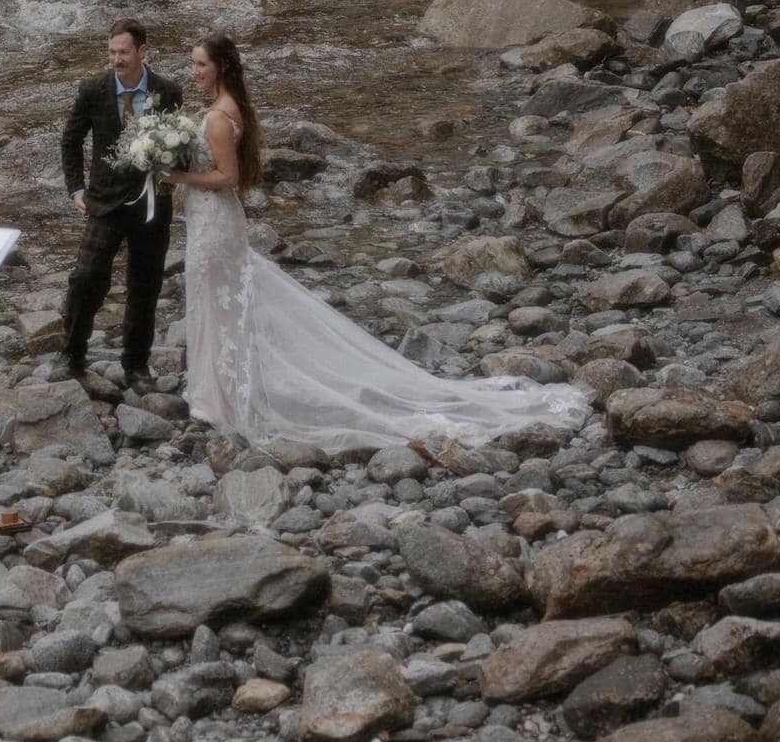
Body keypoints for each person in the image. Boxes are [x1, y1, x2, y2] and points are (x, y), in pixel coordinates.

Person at [169, 34, 589, 451]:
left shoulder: (220, 118)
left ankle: (222, 399)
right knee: (220, 302)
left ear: (221, 66)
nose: (195, 72)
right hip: (214, 221)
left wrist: (177, 176)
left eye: (200, 64)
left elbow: (229, 178)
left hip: (216, 224)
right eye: (192, 64)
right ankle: (216, 393)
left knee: (222, 302)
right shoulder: (228, 109)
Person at [59, 17, 183, 391]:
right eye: (112, 52)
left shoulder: (168, 90)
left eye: (123, 52)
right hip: (104, 202)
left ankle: (136, 365)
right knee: (85, 279)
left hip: (152, 203)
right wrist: (76, 189)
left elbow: (177, 145)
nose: (116, 59)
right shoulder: (93, 89)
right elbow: (71, 140)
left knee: (144, 287)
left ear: (142, 51)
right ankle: (73, 355)